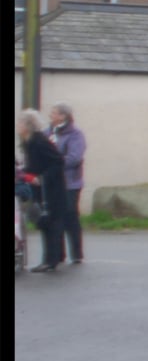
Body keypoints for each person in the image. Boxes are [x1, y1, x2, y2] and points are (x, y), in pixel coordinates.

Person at [18, 111, 68, 273]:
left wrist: (42, 177)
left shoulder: (40, 141)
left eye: (19, 123)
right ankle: (50, 259)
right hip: (40, 188)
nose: (17, 126)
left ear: (27, 126)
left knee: (50, 223)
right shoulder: (28, 142)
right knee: (43, 222)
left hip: (51, 189)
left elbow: (58, 161)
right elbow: (33, 164)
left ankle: (51, 261)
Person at [47, 102, 86, 266]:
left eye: (54, 113)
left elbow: (74, 157)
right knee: (56, 217)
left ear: (63, 116)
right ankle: (59, 254)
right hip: (53, 182)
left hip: (70, 182)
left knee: (70, 216)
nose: (51, 116)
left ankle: (76, 253)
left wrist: (56, 164)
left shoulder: (75, 134)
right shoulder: (47, 132)